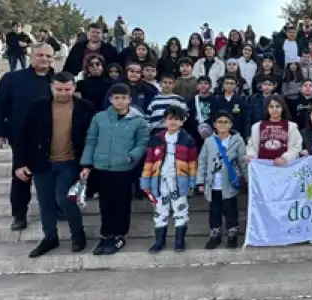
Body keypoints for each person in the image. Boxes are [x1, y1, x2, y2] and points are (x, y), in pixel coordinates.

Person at [12, 72, 96, 257]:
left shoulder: (85, 107)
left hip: (71, 162)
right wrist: (20, 164)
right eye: (59, 89)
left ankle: (78, 234)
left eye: (67, 89)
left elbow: (93, 138)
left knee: (65, 199)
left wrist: (88, 165)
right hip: (43, 162)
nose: (63, 93)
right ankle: (50, 237)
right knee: (45, 202)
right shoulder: (38, 107)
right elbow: (23, 137)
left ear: (74, 87)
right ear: (51, 87)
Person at [0, 43, 56, 231]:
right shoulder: (12, 79)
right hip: (20, 135)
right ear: (32, 57)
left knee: (51, 176)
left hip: (51, 137)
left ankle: (55, 209)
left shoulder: (57, 80)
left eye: (49, 56)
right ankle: (19, 214)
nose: (44, 59)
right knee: (21, 177)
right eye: (40, 55)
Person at [80, 83, 150, 255]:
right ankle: (106, 235)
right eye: (116, 98)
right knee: (105, 203)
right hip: (102, 166)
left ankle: (119, 235)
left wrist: (131, 156)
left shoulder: (138, 120)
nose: (120, 101)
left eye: (124, 98)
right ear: (111, 99)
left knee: (121, 202)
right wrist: (87, 164)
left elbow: (142, 143)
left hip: (124, 168)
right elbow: (91, 140)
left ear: (129, 100)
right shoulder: (100, 118)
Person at [141, 105, 198, 253]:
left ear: (182, 121)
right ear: (165, 120)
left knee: (180, 209)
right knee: (160, 209)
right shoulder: (157, 139)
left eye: (177, 119)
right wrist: (145, 181)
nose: (173, 122)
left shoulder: (187, 139)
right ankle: (159, 240)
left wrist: (192, 181)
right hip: (159, 180)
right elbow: (149, 161)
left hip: (179, 180)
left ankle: (179, 240)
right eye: (170, 119)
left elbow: (192, 163)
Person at [197, 111, 246, 250]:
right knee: (214, 211)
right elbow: (203, 162)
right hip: (213, 184)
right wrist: (200, 181)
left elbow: (243, 161)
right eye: (219, 122)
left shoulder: (237, 140)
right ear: (214, 125)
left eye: (226, 122)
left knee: (230, 210)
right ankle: (215, 235)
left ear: (231, 124)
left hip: (229, 183)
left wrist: (248, 179)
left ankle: (232, 234)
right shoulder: (209, 141)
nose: (222, 125)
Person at [245, 95, 303, 166]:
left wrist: (285, 158)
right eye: (271, 107)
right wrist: (251, 156)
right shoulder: (257, 126)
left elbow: (297, 146)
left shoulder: (292, 126)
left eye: (277, 106)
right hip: (262, 167)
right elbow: (251, 145)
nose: (274, 109)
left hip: (284, 167)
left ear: (283, 108)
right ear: (267, 108)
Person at [212, 74, 249, 139]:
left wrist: (245, 135)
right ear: (223, 85)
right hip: (220, 133)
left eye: (232, 83)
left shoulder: (241, 100)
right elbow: (213, 117)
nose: (229, 85)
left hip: (236, 133)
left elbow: (245, 119)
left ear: (235, 85)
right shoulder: (217, 100)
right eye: (227, 83)